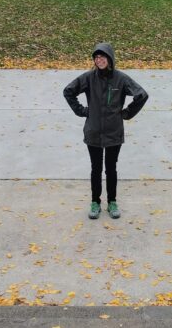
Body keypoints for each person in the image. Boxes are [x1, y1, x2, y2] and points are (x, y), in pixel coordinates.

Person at [63, 42, 148, 220]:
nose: (99, 60)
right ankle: (95, 202)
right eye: (96, 57)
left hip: (113, 132)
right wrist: (82, 111)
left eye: (102, 57)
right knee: (96, 169)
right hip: (93, 131)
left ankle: (112, 202)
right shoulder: (88, 78)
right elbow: (68, 91)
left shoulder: (121, 79)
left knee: (111, 168)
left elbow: (141, 95)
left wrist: (127, 113)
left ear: (110, 59)